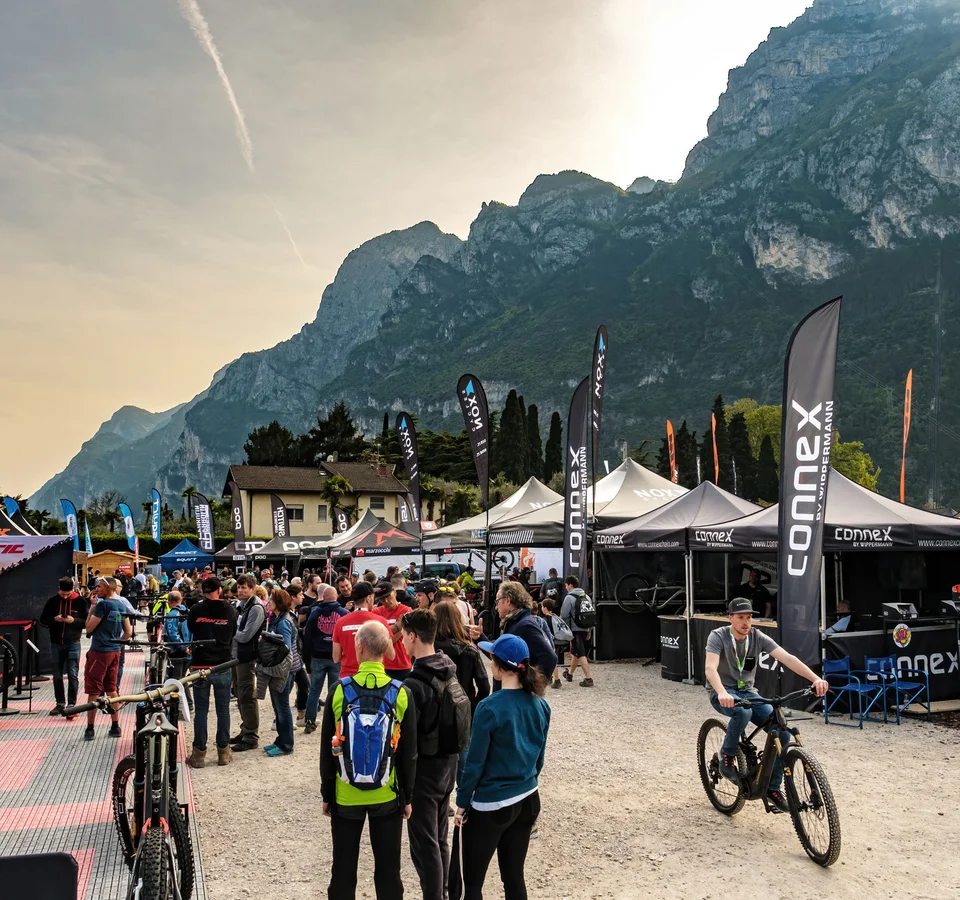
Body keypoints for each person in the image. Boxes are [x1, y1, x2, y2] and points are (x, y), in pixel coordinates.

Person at [320, 620, 417, 900]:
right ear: (387, 648)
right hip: (386, 794)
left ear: (358, 647)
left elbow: (329, 749)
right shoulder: (401, 693)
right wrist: (407, 797)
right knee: (388, 871)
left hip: (346, 794)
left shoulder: (339, 691)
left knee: (343, 870)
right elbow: (408, 752)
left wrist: (328, 793)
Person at [705, 598, 830, 812]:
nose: (746, 622)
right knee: (742, 712)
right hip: (723, 692)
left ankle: (772, 787)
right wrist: (722, 692)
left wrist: (815, 679)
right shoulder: (718, 636)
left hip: (748, 692)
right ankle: (727, 757)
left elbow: (788, 659)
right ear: (730, 619)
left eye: (749, 617)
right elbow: (710, 668)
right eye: (741, 617)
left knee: (781, 730)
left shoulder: (756, 636)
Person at [454, 633, 550, 900]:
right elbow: (539, 756)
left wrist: (462, 801)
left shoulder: (488, 707)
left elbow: (474, 762)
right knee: (514, 876)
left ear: (497, 666)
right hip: (529, 796)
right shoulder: (541, 704)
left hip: (492, 804)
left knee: (473, 882)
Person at [399, 608, 462, 900]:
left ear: (413, 637)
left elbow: (408, 743)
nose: (400, 640)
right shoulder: (447, 667)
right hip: (448, 763)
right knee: (439, 837)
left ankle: (434, 896)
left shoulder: (413, 684)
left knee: (425, 844)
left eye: (402, 635)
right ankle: (444, 892)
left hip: (425, 769)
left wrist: (406, 791)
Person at [434, 600, 489, 784]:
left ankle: (442, 800)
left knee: (440, 757)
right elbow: (484, 684)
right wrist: (475, 703)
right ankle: (464, 802)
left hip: (437, 708)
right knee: (465, 757)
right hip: (465, 707)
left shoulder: (431, 651)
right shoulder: (469, 649)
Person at [187, 577, 238, 768]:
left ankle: (199, 754)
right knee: (223, 709)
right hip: (222, 664)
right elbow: (233, 631)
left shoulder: (196, 609)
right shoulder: (229, 609)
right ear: (219, 590)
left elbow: (191, 628)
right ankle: (223, 752)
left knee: (201, 710)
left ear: (204, 591)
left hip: (200, 664)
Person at [82, 577, 132, 740]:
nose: (97, 589)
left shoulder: (102, 605)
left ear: (109, 588)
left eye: (100, 586)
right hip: (114, 651)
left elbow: (88, 627)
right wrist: (118, 645)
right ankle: (115, 726)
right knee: (112, 689)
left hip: (99, 651)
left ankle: (90, 729)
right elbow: (128, 632)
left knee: (94, 690)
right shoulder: (121, 604)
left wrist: (93, 607)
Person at [39, 576, 88, 717]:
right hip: (56, 643)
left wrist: (74, 620)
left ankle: (72, 705)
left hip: (73, 642)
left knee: (73, 674)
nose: (66, 596)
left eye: (68, 594)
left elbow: (87, 622)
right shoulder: (52, 601)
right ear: (58, 590)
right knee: (57, 675)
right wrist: (54, 619)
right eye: (63, 594)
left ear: (73, 590)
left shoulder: (80, 601)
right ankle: (60, 703)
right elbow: (43, 620)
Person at [304, 585, 350, 734]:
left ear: (323, 597)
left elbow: (308, 636)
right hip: (336, 656)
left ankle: (310, 721)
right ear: (336, 596)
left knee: (314, 690)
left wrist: (307, 658)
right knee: (335, 691)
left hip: (318, 656)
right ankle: (335, 722)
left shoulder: (315, 613)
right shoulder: (343, 613)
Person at [494, 582, 557, 686]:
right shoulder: (513, 622)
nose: (496, 607)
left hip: (514, 696)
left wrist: (533, 688)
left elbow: (550, 657)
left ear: (508, 600)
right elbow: (500, 657)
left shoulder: (523, 625)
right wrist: (479, 637)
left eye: (498, 602)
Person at [263, 588, 301, 756]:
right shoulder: (278, 618)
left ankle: (286, 744)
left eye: (271, 598)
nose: (268, 601)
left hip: (284, 670)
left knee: (282, 706)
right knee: (278, 707)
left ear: (278, 602)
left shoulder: (284, 621)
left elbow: (284, 647)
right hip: (279, 669)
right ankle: (280, 739)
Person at [230, 573, 266, 753]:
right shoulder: (242, 606)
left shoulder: (256, 608)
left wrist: (230, 630)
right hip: (237, 656)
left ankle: (251, 736)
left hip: (246, 657)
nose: (240, 591)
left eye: (244, 588)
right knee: (240, 694)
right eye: (239, 587)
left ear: (252, 589)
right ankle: (245, 730)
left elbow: (245, 635)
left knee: (247, 695)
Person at [333, 583, 395, 680]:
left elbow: (336, 658)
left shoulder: (340, 622)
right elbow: (391, 655)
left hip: (348, 678)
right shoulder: (380, 621)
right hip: (374, 677)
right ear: (368, 599)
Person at [373, 578, 414, 681]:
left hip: (402, 663)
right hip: (382, 665)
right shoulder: (376, 612)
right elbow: (376, 637)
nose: (386, 601)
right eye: (382, 599)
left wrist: (385, 634)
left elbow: (390, 639)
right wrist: (396, 627)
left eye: (388, 596)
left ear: (394, 593)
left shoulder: (406, 610)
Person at [560, 575, 595, 687]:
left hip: (575, 630)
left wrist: (563, 630)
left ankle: (588, 678)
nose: (566, 588)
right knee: (576, 652)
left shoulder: (569, 598)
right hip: (585, 628)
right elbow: (590, 614)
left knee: (580, 653)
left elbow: (564, 615)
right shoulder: (587, 597)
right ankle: (569, 674)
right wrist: (588, 630)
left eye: (566, 585)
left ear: (570, 585)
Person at [162, 591, 193, 711]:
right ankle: (188, 704)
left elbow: (172, 634)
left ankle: (179, 706)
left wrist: (183, 648)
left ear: (170, 602)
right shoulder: (188, 612)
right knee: (182, 678)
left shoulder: (172, 615)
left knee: (176, 679)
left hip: (177, 651)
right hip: (189, 650)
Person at [540, 597, 571, 689]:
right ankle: (550, 678)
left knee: (552, 661)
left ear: (545, 608)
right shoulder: (555, 617)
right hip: (557, 641)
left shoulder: (545, 620)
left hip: (550, 642)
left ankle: (557, 680)